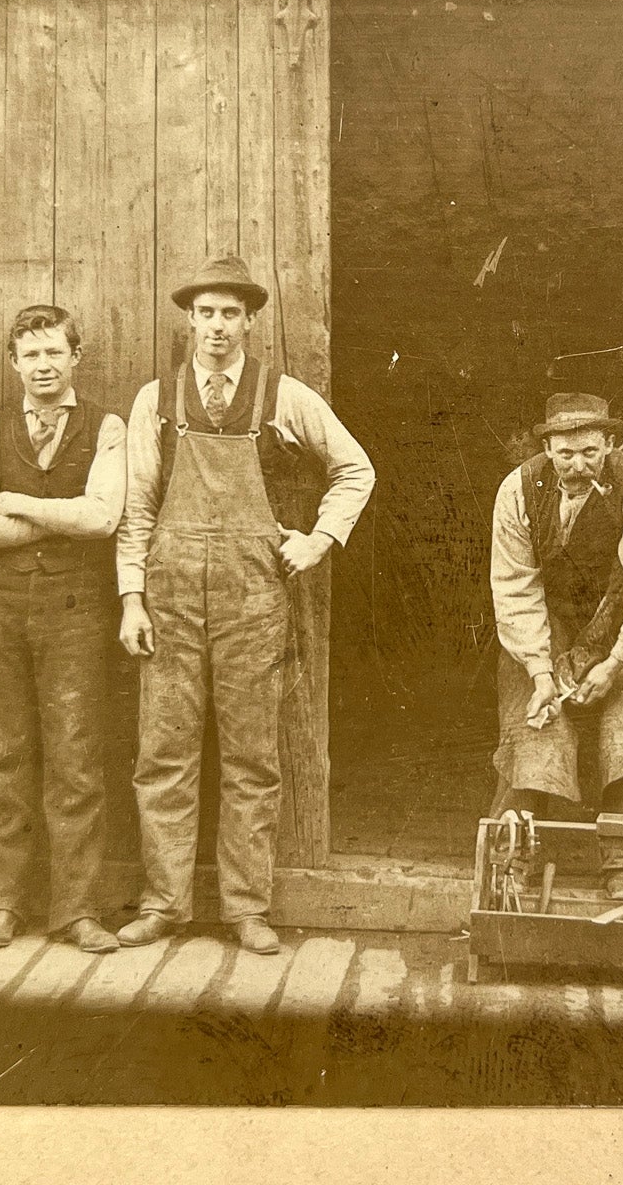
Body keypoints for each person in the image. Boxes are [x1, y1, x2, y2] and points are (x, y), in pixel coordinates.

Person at [116, 256, 375, 954]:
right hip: (168, 596)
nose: (218, 327)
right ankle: (164, 904)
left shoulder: (284, 397)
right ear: (189, 319)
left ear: (251, 322)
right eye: (206, 313)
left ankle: (246, 909)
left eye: (231, 314)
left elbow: (356, 468)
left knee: (252, 759)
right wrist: (131, 598)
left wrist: (319, 540)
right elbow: (137, 507)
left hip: (252, 599)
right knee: (162, 754)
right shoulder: (156, 400)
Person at [0, 304, 128, 954]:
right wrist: (63, 514)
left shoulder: (106, 426)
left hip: (77, 609)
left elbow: (103, 518)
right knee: (2, 754)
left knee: (75, 759)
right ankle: (4, 903)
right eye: (31, 355)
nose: (44, 365)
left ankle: (76, 910)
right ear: (13, 363)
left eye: (55, 352)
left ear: (75, 357)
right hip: (1, 608)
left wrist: (19, 503)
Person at [488, 393, 623, 900]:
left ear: (609, 444)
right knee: (534, 720)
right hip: (544, 622)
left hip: (615, 619)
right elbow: (515, 586)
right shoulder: (517, 490)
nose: (578, 466)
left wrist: (618, 660)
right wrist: (538, 671)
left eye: (591, 453)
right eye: (565, 453)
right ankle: (511, 857)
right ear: (547, 447)